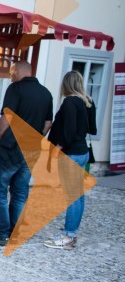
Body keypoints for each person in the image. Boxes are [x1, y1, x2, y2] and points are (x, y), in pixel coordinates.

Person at [0, 61, 52, 246]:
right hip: (32, 150)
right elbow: (48, 123)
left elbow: (6, 118)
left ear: (18, 71)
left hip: (12, 148)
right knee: (20, 191)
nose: (10, 77)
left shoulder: (15, 89)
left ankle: (1, 232)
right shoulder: (46, 93)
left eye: (11, 73)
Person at [44, 71, 93, 249]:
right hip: (81, 152)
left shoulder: (70, 102)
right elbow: (92, 128)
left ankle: (68, 235)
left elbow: (69, 131)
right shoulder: (85, 102)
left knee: (72, 197)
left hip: (71, 154)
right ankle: (70, 232)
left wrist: (57, 148)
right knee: (77, 196)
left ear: (66, 84)